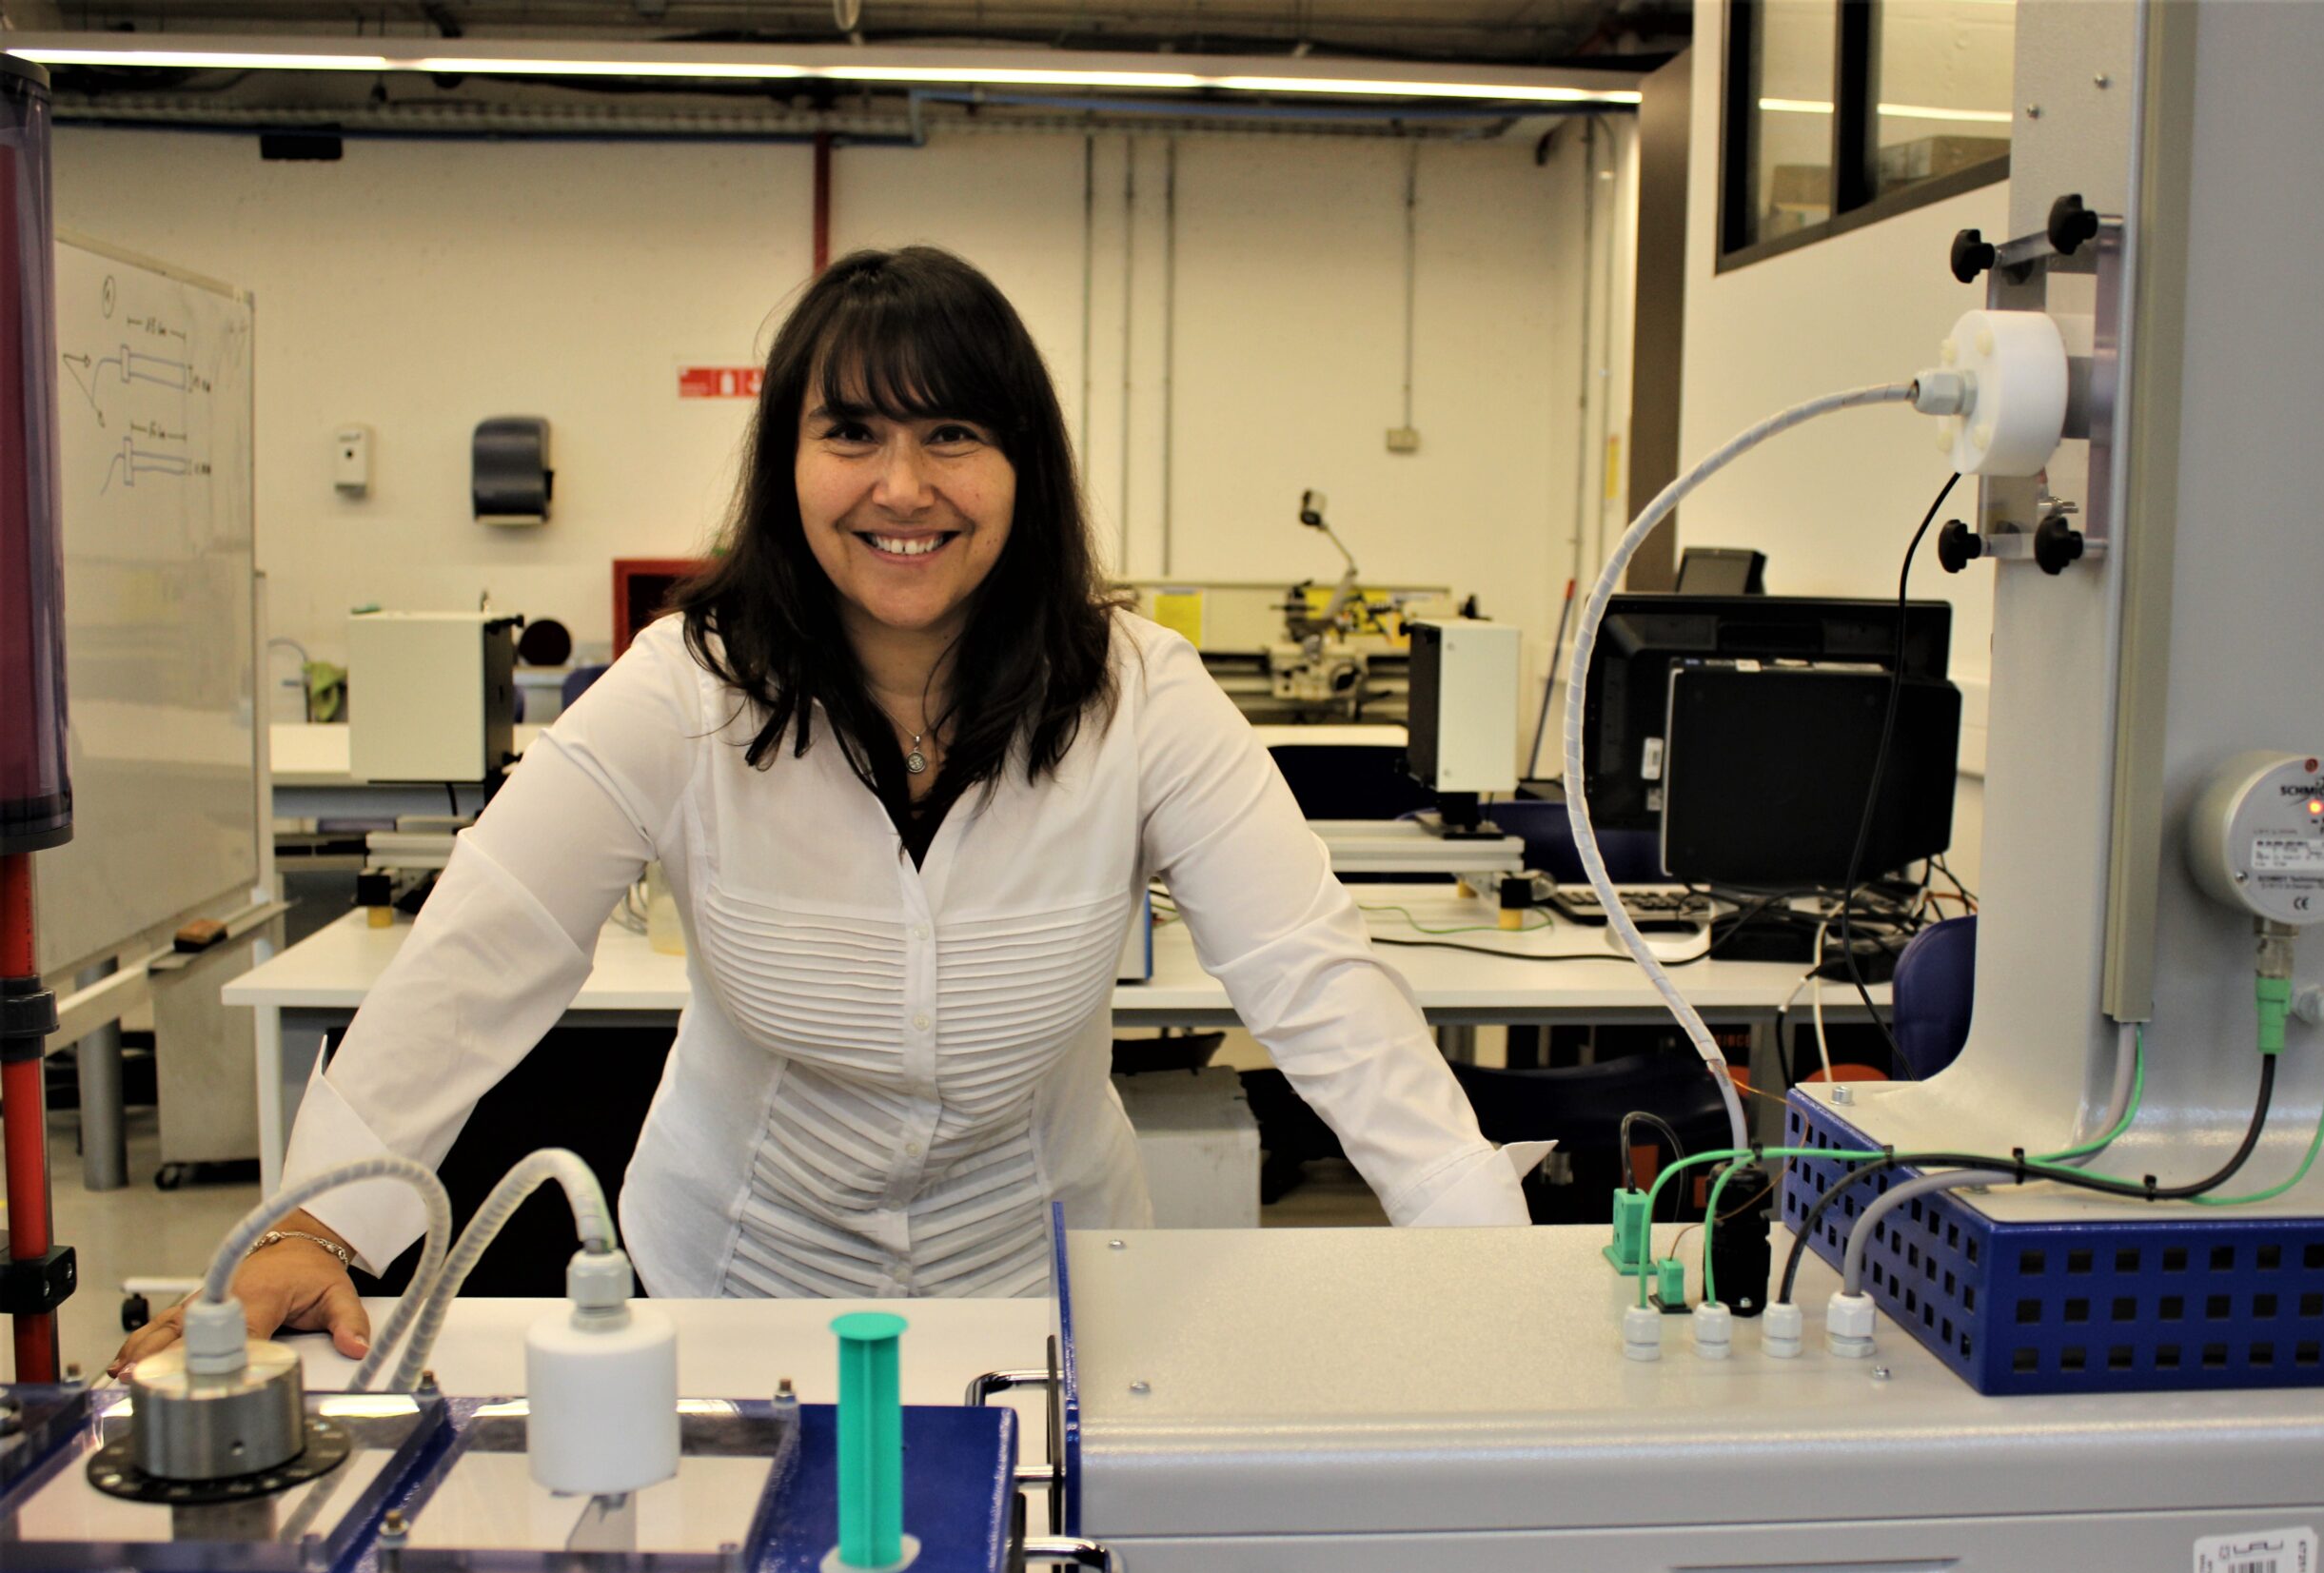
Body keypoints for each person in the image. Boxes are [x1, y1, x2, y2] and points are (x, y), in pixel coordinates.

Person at [112, 246, 1536, 1375]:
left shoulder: (1139, 697)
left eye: (954, 435)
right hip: (741, 1285)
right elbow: (485, 948)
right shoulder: (687, 690)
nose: (901, 487)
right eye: (851, 432)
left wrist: (1484, 1251)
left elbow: (1312, 976)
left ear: (1022, 468)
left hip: (1046, 1291)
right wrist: (310, 1225)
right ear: (787, 465)